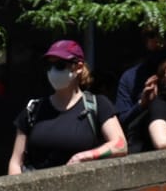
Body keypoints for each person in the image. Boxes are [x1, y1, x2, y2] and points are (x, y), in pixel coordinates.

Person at [8, 39, 127, 174]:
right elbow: (16, 162)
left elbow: (120, 145)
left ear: (79, 67)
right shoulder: (33, 109)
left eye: (59, 65)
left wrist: (84, 156)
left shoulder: (98, 105)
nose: (52, 71)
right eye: (49, 66)